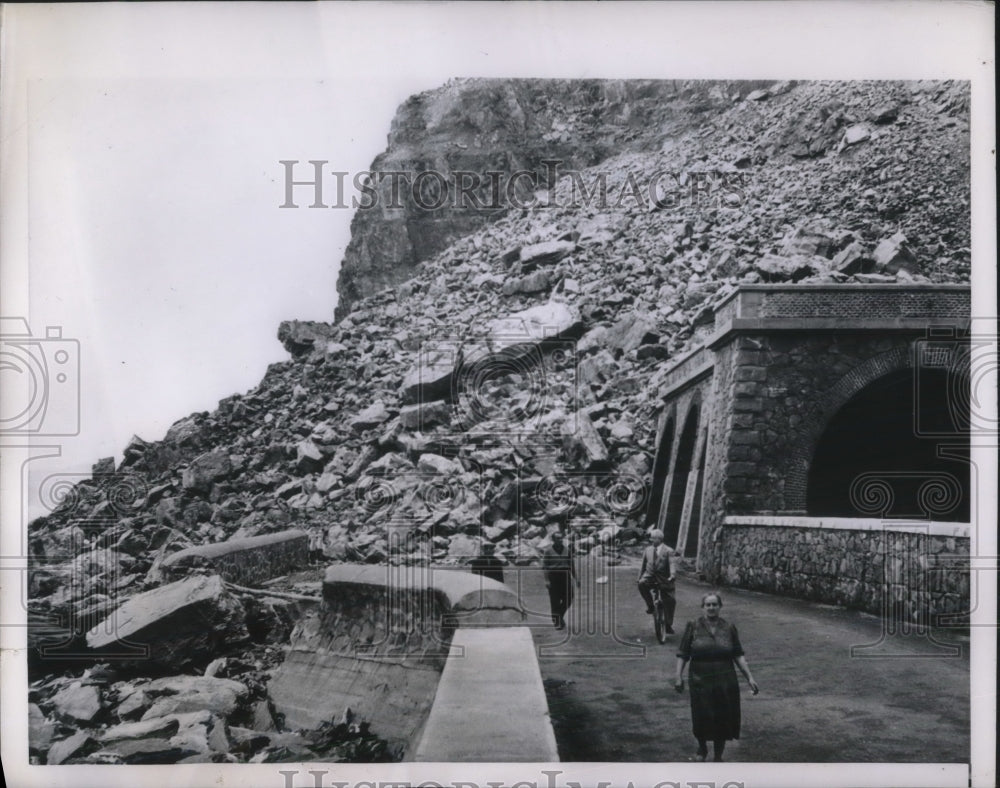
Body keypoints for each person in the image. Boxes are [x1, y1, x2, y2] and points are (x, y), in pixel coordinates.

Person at [674, 592, 759, 762]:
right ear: (703, 607)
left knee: (723, 715)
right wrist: (678, 677)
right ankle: (702, 747)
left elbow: (738, 654)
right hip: (700, 678)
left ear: (720, 607)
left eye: (715, 605)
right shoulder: (693, 626)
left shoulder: (729, 627)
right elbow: (683, 654)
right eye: (708, 605)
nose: (711, 608)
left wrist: (749, 677)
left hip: (725, 679)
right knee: (701, 714)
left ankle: (718, 756)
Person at [637, 528, 676, 633]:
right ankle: (650, 605)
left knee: (670, 601)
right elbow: (643, 565)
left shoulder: (669, 550)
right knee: (641, 584)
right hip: (649, 576)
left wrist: (672, 575)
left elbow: (672, 564)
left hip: (664, 578)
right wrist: (639, 577)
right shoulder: (647, 550)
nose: (651, 540)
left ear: (659, 539)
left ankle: (668, 624)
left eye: (653, 538)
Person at [542, 530, 579, 629]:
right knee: (555, 601)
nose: (560, 540)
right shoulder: (548, 551)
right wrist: (546, 580)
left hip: (565, 576)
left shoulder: (567, 550)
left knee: (569, 598)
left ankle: (559, 616)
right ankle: (557, 622)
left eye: (561, 538)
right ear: (553, 540)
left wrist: (576, 578)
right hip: (553, 577)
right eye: (558, 538)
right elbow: (545, 567)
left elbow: (572, 565)